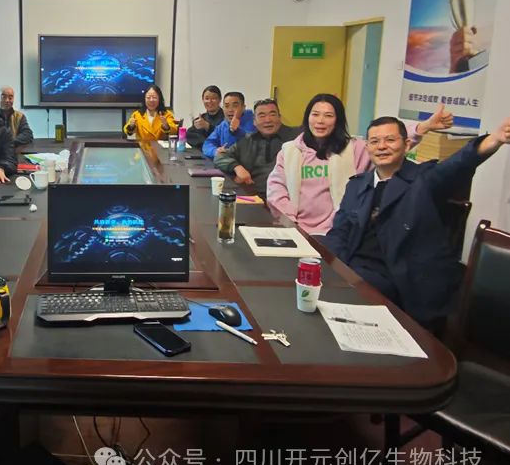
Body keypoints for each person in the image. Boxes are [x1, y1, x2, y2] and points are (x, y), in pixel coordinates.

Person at [325, 114, 510, 328]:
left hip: (400, 279)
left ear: (407, 145)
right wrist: (333, 269)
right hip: (355, 271)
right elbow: (339, 232)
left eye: (390, 140)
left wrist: (494, 139)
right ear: (367, 148)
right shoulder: (357, 185)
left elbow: (457, 165)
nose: (382, 146)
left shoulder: (424, 179)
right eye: (374, 141)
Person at [266, 94, 454, 236]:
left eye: (328, 115)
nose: (320, 121)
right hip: (295, 229)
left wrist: (424, 127)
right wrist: (290, 222)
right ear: (307, 118)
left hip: (337, 232)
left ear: (338, 120)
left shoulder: (354, 148)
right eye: (315, 114)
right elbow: (276, 188)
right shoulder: (290, 151)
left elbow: (388, 144)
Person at [214, 98, 299, 197]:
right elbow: (220, 156)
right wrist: (237, 168)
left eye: (272, 114)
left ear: (279, 117)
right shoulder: (249, 140)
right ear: (254, 121)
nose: (268, 120)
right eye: (262, 115)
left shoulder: (296, 138)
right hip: (255, 197)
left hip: (288, 197)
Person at [201, 91, 257, 158]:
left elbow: (251, 145)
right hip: (225, 162)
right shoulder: (223, 125)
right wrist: (215, 151)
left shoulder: (253, 123)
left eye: (235, 106)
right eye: (227, 106)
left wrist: (236, 131)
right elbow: (208, 143)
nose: (230, 110)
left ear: (243, 108)